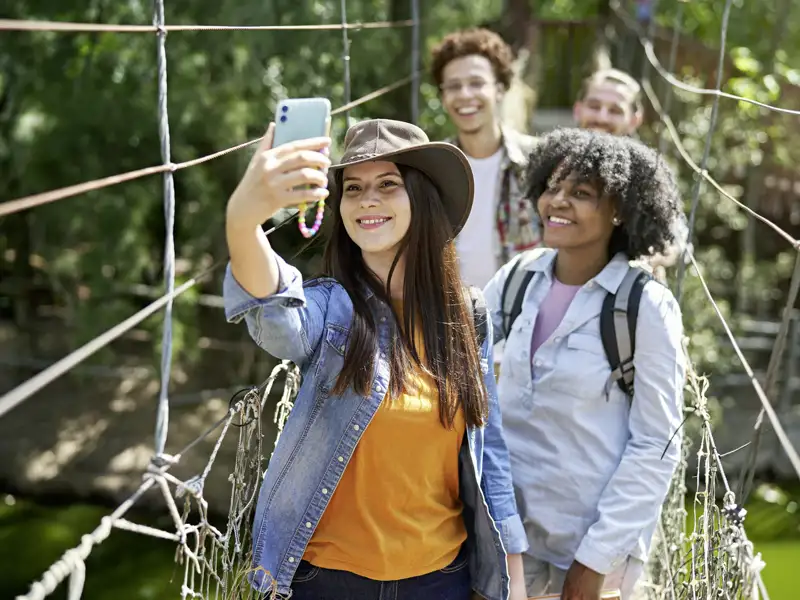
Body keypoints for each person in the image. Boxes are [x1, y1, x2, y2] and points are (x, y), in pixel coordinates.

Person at [223, 117, 528, 600]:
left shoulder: (467, 316)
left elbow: (490, 455)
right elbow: (279, 316)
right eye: (353, 188)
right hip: (327, 584)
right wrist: (243, 220)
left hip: (442, 582)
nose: (368, 199)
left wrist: (513, 582)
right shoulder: (332, 310)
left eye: (388, 185)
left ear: (422, 198)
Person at [483, 128, 686, 600]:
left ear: (619, 211)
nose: (558, 201)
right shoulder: (515, 279)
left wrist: (593, 563)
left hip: (594, 552)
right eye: (552, 187)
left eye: (581, 193)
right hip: (509, 541)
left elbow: (657, 444)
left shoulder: (645, 307)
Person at [430, 28, 542, 290]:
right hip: (451, 316)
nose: (465, 95)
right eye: (454, 86)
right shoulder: (430, 168)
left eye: (477, 83)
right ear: (444, 97)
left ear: (500, 89)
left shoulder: (537, 162)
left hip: (523, 313)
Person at [573, 67, 690, 275]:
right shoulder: (552, 165)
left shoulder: (650, 172)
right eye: (594, 106)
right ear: (578, 110)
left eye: (615, 111)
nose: (602, 117)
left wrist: (647, 260)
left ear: (635, 120)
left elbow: (678, 241)